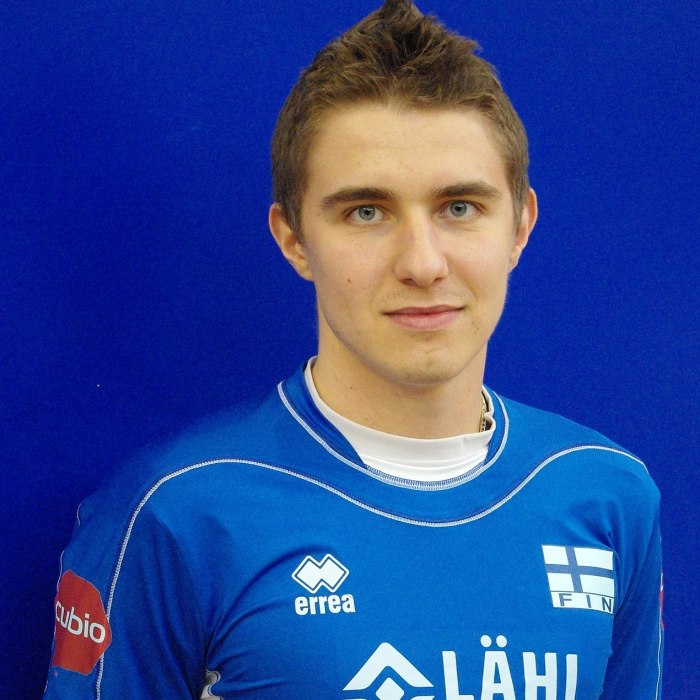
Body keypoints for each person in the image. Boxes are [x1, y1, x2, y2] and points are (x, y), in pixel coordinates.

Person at [44, 1, 663, 697]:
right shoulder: (175, 513)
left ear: (520, 227)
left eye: (460, 208)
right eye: (367, 212)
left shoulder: (606, 494)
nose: (423, 263)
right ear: (294, 239)